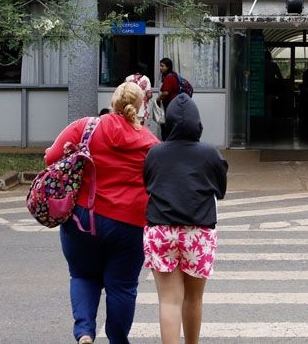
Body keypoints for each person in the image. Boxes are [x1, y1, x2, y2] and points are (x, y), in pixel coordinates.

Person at [45, 81, 160, 344]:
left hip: (84, 218)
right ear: (142, 107)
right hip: (130, 223)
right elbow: (158, 180)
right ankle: (117, 339)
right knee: (122, 286)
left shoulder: (85, 126)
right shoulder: (151, 143)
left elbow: (51, 159)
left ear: (113, 103)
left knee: (83, 275)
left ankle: (85, 332)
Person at [143, 93, 228, 344]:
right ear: (197, 123)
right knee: (194, 298)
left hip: (160, 230)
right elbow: (220, 191)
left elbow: (148, 185)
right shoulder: (210, 153)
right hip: (198, 231)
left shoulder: (155, 153)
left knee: (169, 300)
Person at [157, 57, 181, 139]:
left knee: (165, 125)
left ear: (168, 67)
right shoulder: (174, 75)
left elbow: (165, 93)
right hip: (174, 104)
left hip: (169, 104)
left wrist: (158, 99)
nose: (160, 68)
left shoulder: (168, 77)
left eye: (162, 66)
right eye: (160, 66)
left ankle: (166, 143)